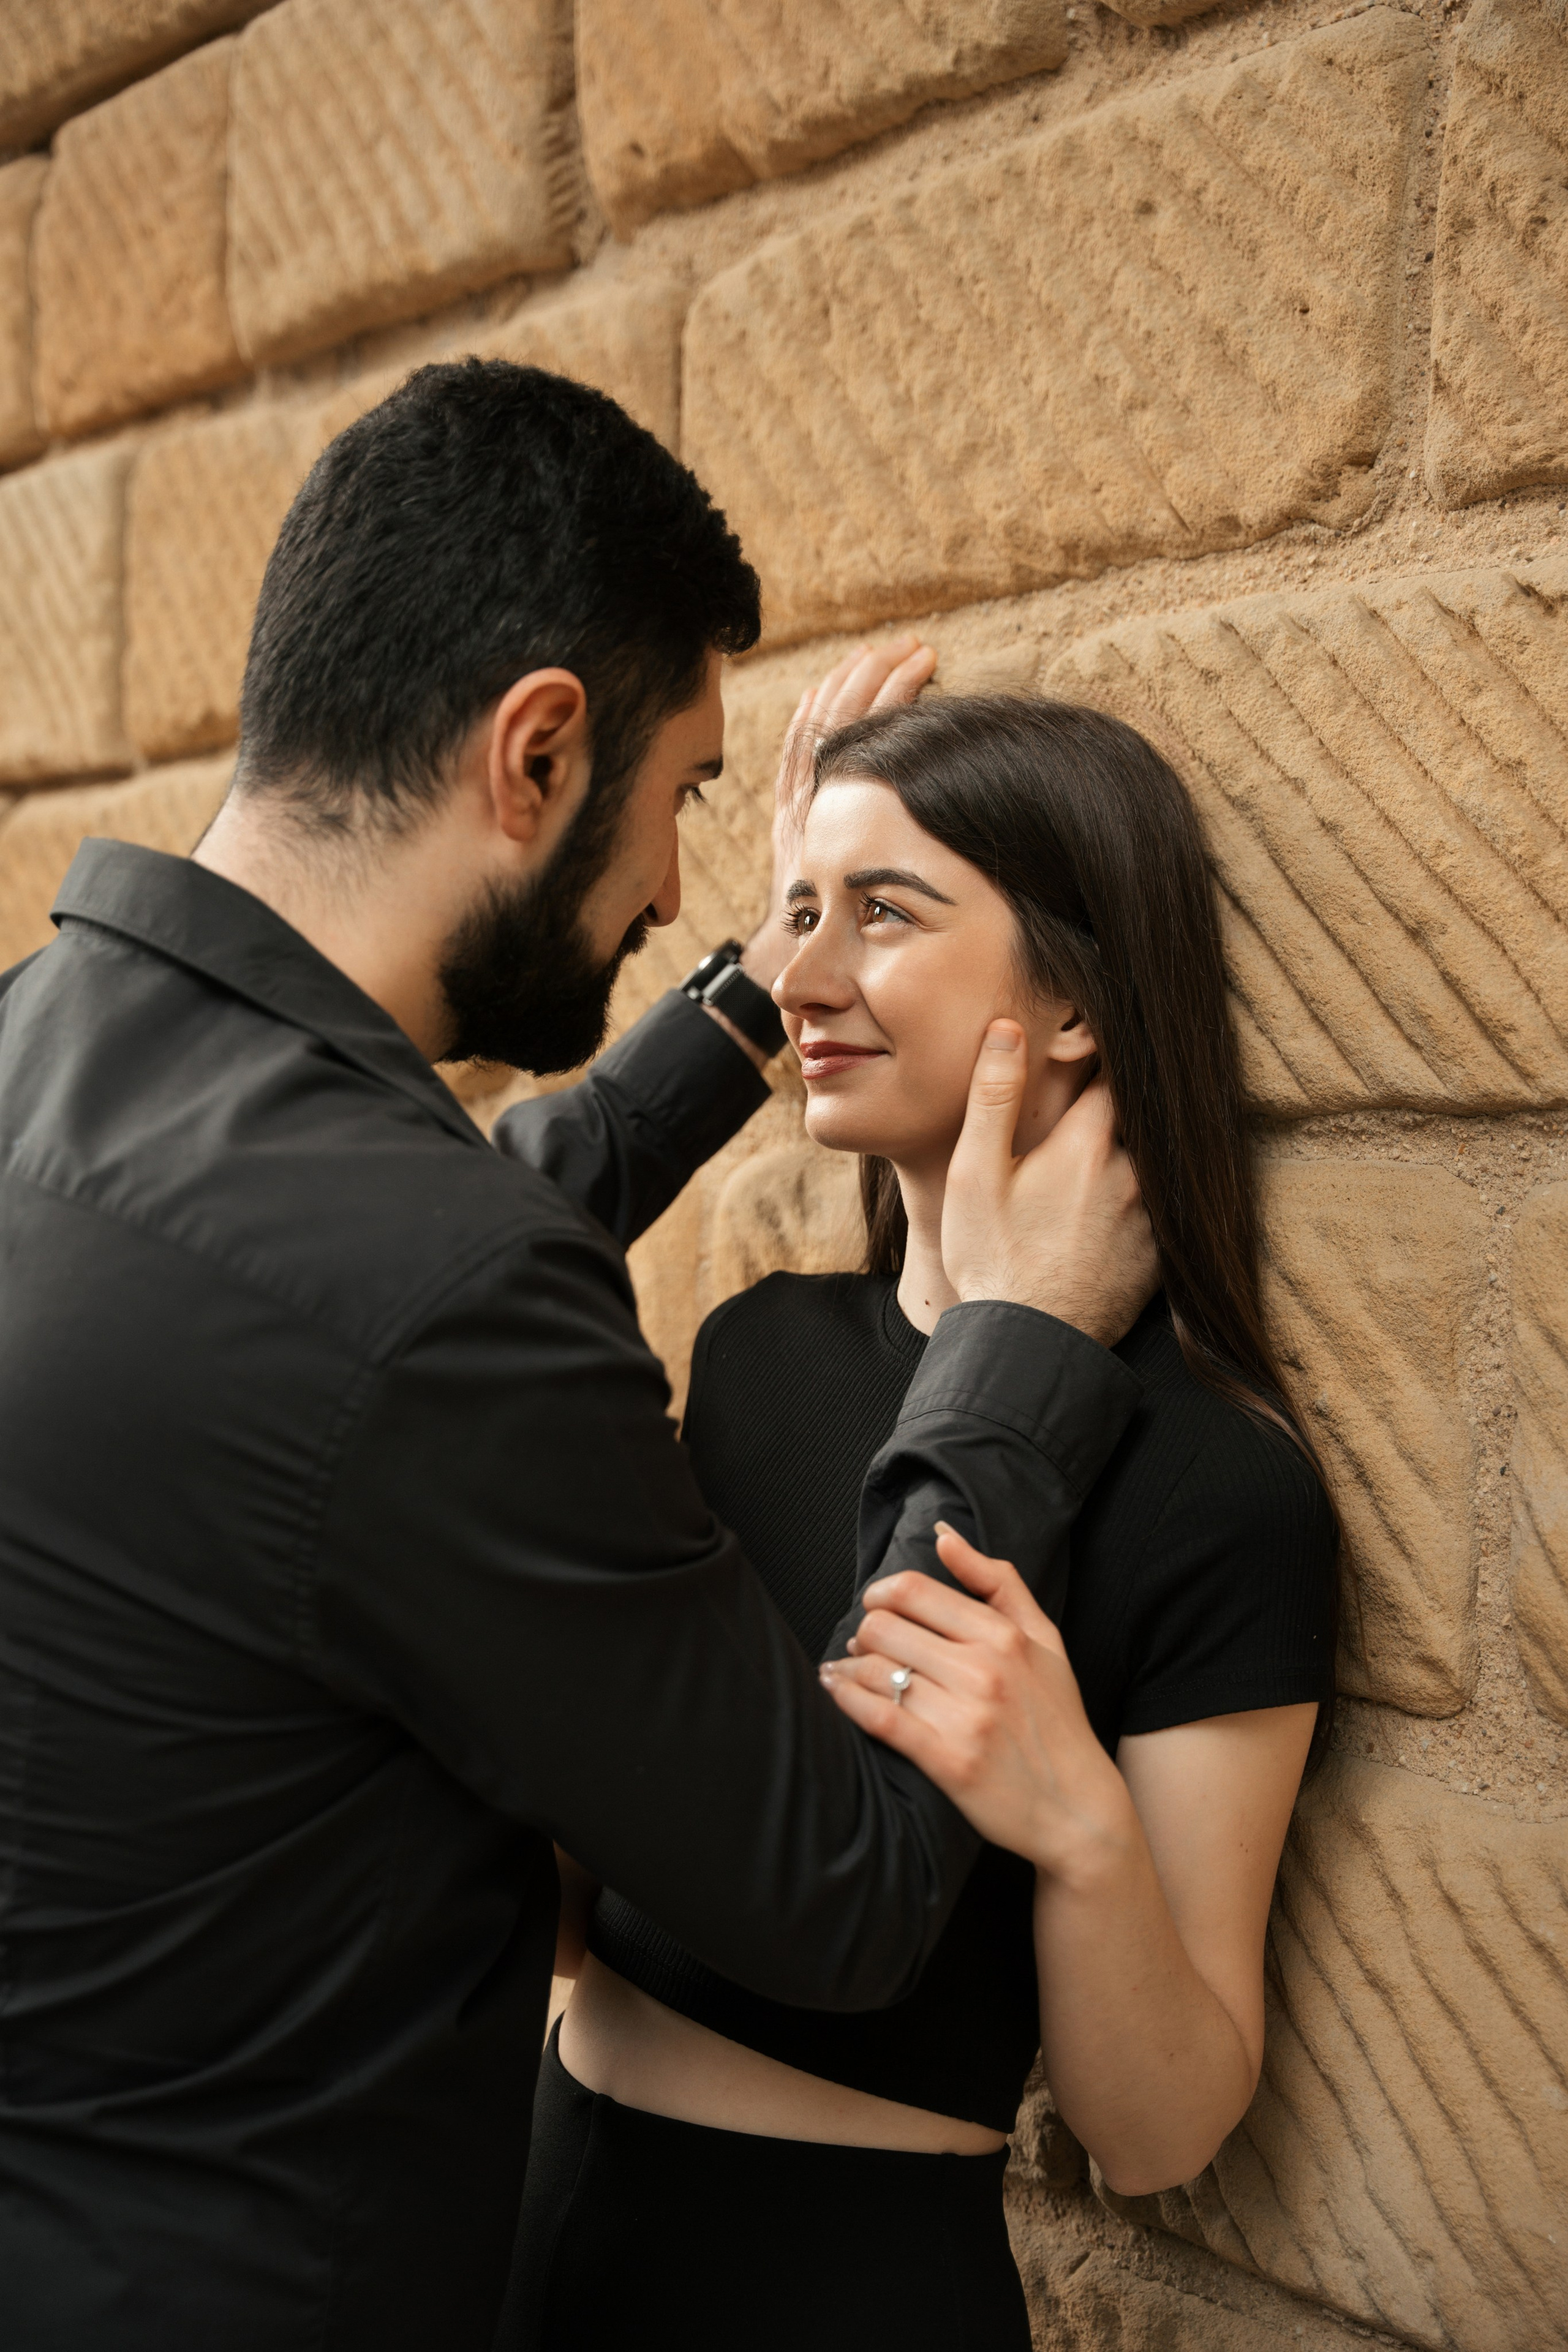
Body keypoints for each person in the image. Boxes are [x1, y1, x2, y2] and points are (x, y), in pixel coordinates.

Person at [0, 364, 1158, 2352]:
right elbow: (849, 1892)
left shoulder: (40, 1053)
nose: (689, 892)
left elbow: (352, 1279)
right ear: (536, 751)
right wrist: (1012, 1355)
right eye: (689, 799)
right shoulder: (434, 1295)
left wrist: (738, 1011)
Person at [516, 692, 1338, 2350]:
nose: (801, 979)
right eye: (802, 910)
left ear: (1081, 997)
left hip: (839, 2288)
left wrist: (1081, 1829)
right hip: (529, 2220)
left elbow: (1160, 2129)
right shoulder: (758, 1351)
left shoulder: (1217, 1487)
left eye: (884, 915)